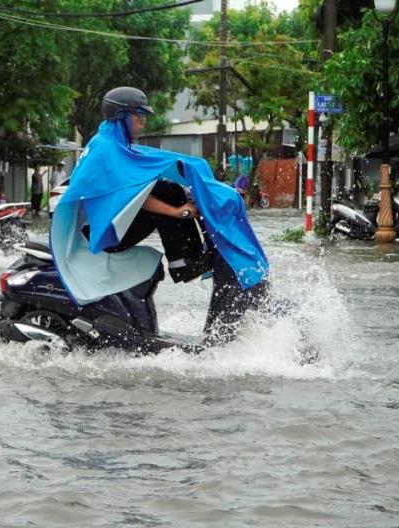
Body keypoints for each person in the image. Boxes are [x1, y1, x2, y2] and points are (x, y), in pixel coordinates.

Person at [50, 86, 269, 348]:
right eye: (138, 116)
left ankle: (187, 260)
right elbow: (134, 195)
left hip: (107, 225)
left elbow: (144, 171)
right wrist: (178, 211)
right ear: (121, 116)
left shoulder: (110, 142)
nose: (142, 122)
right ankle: (184, 263)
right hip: (100, 234)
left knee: (171, 190)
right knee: (169, 195)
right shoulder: (107, 149)